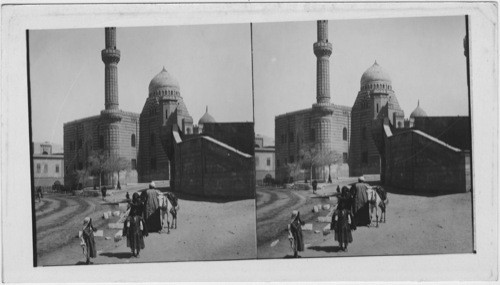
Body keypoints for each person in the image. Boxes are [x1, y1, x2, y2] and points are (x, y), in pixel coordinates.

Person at [123, 193, 148, 257]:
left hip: (136, 219)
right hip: (135, 219)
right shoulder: (135, 203)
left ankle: (136, 252)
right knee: (135, 237)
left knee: (136, 237)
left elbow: (139, 209)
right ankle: (135, 251)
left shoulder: (135, 204)